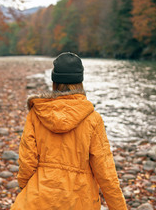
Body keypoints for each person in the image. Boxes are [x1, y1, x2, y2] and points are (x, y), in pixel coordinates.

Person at [11, 52, 127, 210]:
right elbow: (106, 172)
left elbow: (27, 160)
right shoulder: (93, 119)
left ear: (55, 81)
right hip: (80, 199)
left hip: (39, 197)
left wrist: (27, 189)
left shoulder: (37, 113)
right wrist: (118, 207)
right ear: (80, 81)